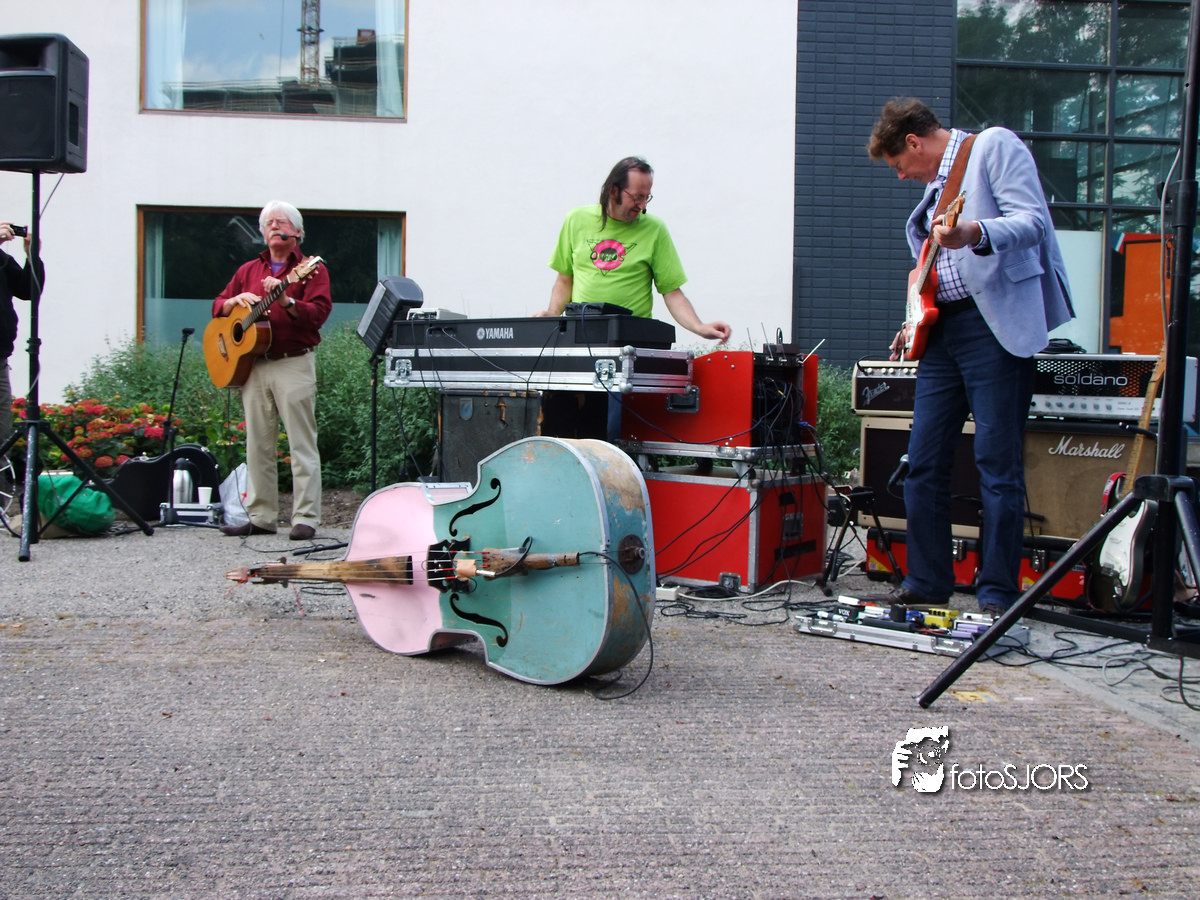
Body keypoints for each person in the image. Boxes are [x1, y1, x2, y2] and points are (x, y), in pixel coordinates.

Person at [864, 98, 1074, 618]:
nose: (900, 176)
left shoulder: (993, 146)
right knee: (922, 462)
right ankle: (927, 581)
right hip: (942, 333)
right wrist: (913, 320)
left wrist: (974, 232)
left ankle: (998, 592)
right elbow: (932, 272)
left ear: (913, 142)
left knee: (996, 465)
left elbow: (1033, 223)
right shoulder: (934, 191)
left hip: (992, 328)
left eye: (898, 165)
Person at [212, 201, 331, 541]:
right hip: (253, 364)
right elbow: (217, 305)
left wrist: (287, 302)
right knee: (258, 444)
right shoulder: (248, 270)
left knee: (301, 443)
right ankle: (261, 517)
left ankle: (305, 518)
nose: (274, 226)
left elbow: (319, 314)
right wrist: (231, 303)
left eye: (282, 222)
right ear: (263, 233)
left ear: (298, 232)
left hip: (293, 361)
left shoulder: (311, 269)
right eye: (269, 223)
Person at [537, 156, 731, 342]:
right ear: (613, 191)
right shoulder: (575, 220)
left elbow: (672, 292)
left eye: (647, 197)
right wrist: (552, 315)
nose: (643, 205)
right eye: (637, 198)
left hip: (634, 340)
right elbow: (565, 279)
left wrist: (699, 327)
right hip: (582, 336)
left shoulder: (655, 229)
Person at [1, 221, 43, 455]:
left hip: (0, 358)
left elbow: (28, 291)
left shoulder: (2, 260)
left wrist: (31, 255)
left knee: (1, 434)